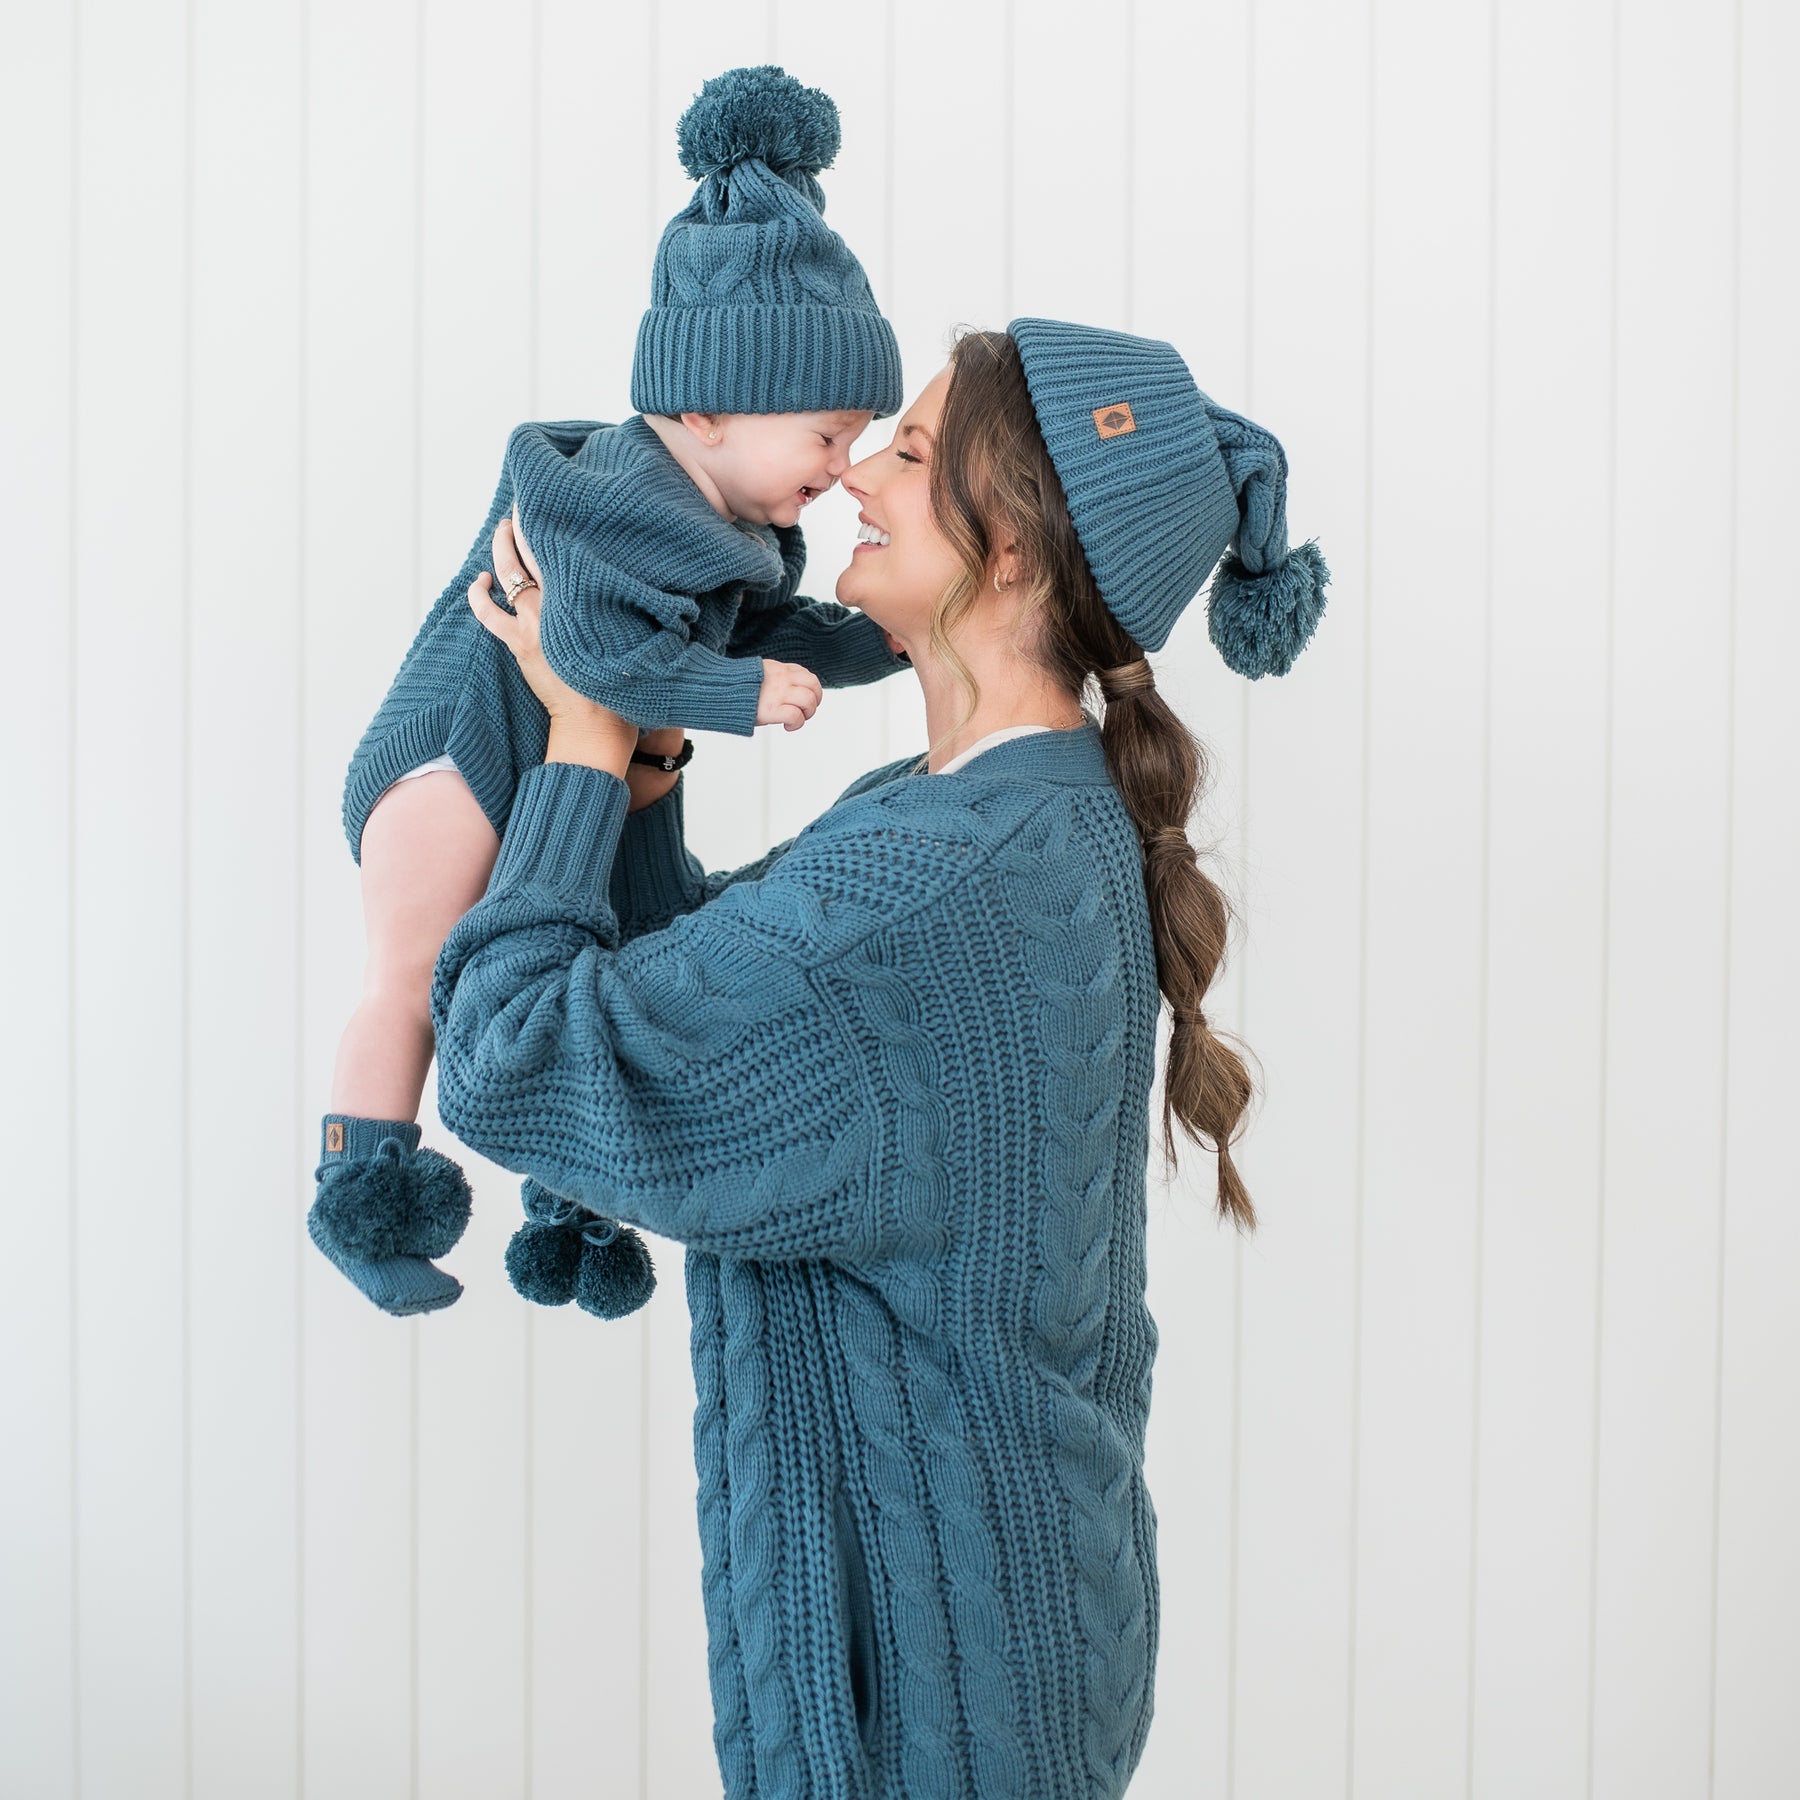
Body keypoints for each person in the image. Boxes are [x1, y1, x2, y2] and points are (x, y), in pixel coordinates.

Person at [433, 319, 1329, 1797]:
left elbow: (518, 1052)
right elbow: (688, 998)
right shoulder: (1002, 815)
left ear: (1020, 549)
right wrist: (649, 746)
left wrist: (583, 735)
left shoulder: (937, 885)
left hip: (927, 1722)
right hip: (1011, 1664)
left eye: (908, 453)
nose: (854, 475)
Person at [308, 65, 910, 1319]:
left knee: (615, 949)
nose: (842, 466)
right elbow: (590, 653)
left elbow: (767, 626)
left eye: (861, 433)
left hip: (561, 759)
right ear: (704, 407)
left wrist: (892, 638)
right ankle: (361, 1192)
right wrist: (737, 699)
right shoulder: (617, 501)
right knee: (413, 982)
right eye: (825, 433)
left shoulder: (722, 517)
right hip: (455, 757)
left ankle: (572, 1214)